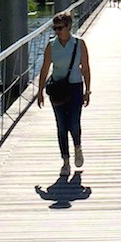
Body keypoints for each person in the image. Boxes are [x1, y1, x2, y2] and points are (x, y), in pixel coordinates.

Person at [36, 10, 92, 175]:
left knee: (74, 122)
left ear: (69, 26)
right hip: (57, 89)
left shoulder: (79, 44)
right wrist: (40, 91)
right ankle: (65, 161)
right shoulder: (51, 45)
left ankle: (77, 147)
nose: (57, 31)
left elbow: (86, 68)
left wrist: (87, 90)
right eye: (55, 28)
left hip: (75, 87)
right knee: (61, 125)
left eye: (60, 28)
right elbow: (45, 68)